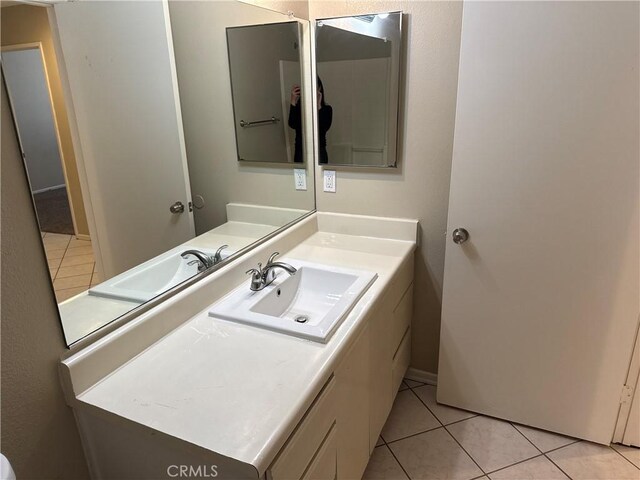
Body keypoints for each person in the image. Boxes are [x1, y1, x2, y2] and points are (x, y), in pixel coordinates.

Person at [288, 77, 333, 164]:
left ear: (319, 88)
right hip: (300, 151)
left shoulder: (327, 109)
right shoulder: (300, 108)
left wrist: (318, 106)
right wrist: (293, 100)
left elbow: (324, 128)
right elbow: (292, 124)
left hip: (320, 152)